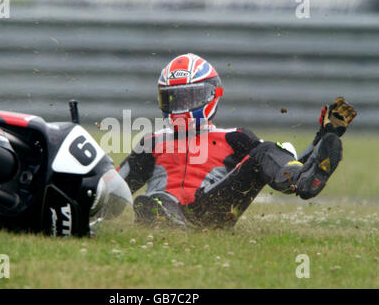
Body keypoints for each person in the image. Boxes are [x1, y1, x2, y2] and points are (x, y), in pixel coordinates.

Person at [118, 53, 357, 228]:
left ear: (211, 95)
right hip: (159, 206)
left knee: (265, 151)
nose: (181, 108)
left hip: (211, 210)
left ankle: (308, 182)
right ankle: (164, 216)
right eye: (174, 100)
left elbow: (279, 167)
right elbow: (114, 188)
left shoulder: (234, 137)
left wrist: (324, 138)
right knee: (154, 202)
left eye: (189, 98)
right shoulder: (152, 142)